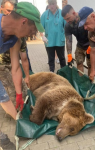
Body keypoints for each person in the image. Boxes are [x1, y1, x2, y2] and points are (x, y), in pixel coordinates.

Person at [0, 2, 44, 149]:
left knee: (4, 97)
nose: (33, 34)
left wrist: (19, 94)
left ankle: (20, 124)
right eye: (33, 29)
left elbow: (16, 67)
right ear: (23, 21)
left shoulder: (15, 39)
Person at [61, 4, 95, 75]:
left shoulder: (84, 18)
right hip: (80, 45)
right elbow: (69, 40)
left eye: (68, 18)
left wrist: (91, 47)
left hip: (90, 45)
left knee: (90, 65)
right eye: (65, 19)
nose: (67, 21)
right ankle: (80, 82)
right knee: (79, 63)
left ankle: (90, 83)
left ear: (74, 13)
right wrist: (69, 55)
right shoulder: (68, 25)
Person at [0, 0, 33, 72]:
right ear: (1, 8)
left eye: (12, 12)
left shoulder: (17, 36)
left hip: (9, 68)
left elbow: (23, 57)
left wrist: (27, 76)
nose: (10, 14)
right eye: (8, 11)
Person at [41, 0, 66, 72]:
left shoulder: (61, 13)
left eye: (53, 4)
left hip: (59, 40)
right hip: (49, 41)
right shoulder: (45, 14)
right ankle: (51, 73)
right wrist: (42, 36)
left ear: (56, 4)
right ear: (48, 4)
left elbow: (66, 27)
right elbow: (40, 27)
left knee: (62, 58)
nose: (52, 6)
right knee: (51, 59)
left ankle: (63, 73)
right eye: (50, 4)